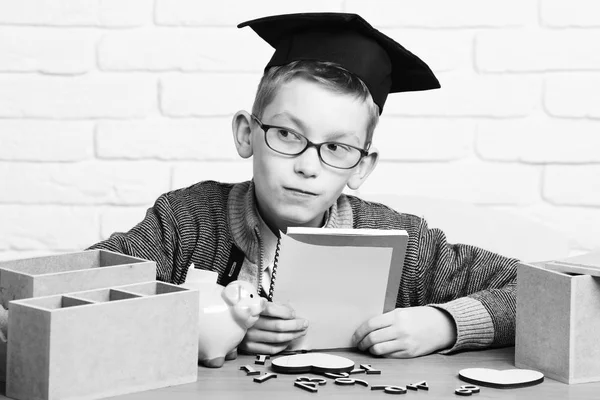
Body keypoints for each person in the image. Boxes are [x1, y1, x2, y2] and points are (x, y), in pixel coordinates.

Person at [88, 12, 517, 359]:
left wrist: (445, 323)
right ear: (246, 134)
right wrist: (209, 325)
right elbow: (78, 291)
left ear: (361, 167)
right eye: (289, 135)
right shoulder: (185, 222)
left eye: (336, 147)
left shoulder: (405, 246)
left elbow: (536, 291)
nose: (308, 166)